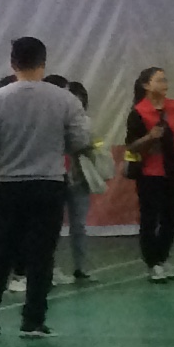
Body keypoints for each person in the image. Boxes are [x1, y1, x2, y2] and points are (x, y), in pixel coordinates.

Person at [0, 37, 91, 339]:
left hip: (7, 184)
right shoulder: (65, 100)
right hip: (48, 184)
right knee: (41, 253)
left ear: (13, 63)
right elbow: (80, 141)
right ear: (43, 62)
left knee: (2, 247)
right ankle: (33, 320)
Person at [123, 68, 174, 282]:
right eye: (159, 80)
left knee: (171, 218)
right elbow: (131, 146)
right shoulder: (138, 112)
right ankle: (152, 263)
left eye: (165, 80)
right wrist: (149, 137)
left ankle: (162, 257)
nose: (165, 84)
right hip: (150, 173)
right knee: (150, 219)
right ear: (146, 85)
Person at [55, 75, 102, 284]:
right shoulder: (51, 120)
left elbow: (90, 142)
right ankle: (51, 269)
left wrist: (91, 146)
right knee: (52, 226)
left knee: (79, 225)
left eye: (79, 100)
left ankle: (81, 267)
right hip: (54, 177)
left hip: (78, 177)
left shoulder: (85, 121)